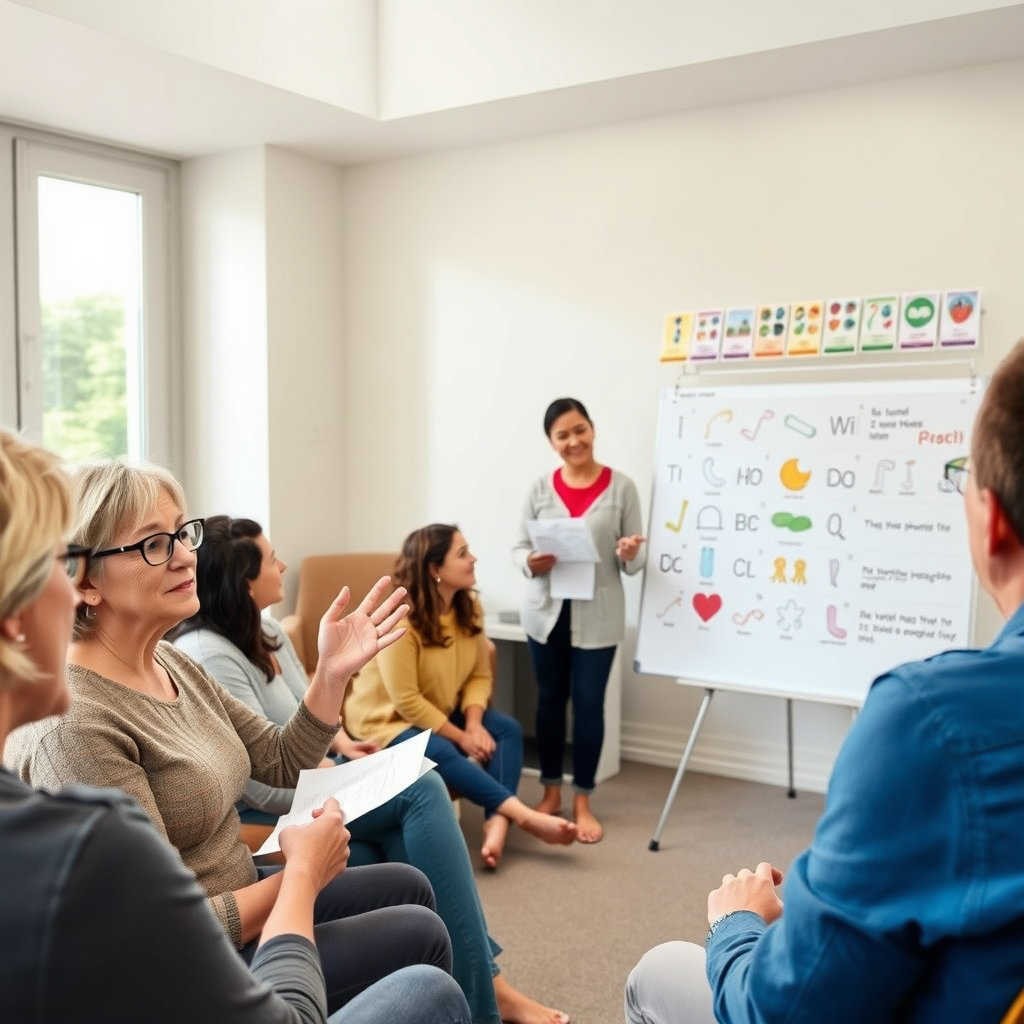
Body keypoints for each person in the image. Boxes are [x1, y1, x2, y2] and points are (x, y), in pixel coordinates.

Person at [0, 429, 470, 1024]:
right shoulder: (76, 730)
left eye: (182, 532)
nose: (182, 554)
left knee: (411, 890)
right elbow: (172, 931)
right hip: (208, 947)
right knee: (426, 960)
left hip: (240, 890)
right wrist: (302, 872)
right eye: (152, 544)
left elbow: (277, 759)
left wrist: (330, 675)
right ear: (84, 583)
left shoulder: (170, 661)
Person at [625, 340, 1024, 1023]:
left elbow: (777, 1011)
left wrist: (738, 927)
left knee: (657, 972)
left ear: (991, 523)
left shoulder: (934, 724)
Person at [171, 514, 571, 1024]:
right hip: (276, 803)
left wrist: (343, 746)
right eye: (273, 560)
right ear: (244, 582)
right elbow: (252, 778)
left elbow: (303, 708)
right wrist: (332, 782)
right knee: (422, 789)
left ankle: (478, 992)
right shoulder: (207, 655)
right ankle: (488, 994)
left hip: (317, 776)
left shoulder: (266, 629)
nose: (284, 566)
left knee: (396, 836)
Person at [345, 523, 577, 869]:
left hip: (439, 708)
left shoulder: (468, 608)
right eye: (463, 553)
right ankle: (522, 815)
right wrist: (462, 738)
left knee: (507, 729)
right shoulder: (401, 622)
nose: (474, 558)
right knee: (440, 748)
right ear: (435, 569)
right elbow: (406, 700)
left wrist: (473, 722)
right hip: (384, 720)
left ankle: (497, 821)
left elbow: (479, 674)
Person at [513, 397, 645, 843]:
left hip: (599, 616)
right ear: (552, 443)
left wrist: (629, 552)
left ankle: (583, 799)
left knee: (589, 706)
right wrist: (532, 559)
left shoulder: (622, 488)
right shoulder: (539, 489)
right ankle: (550, 791)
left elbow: (634, 559)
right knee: (550, 702)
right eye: (563, 435)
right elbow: (517, 549)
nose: (574, 441)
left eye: (580, 430)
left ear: (592, 428)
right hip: (546, 615)